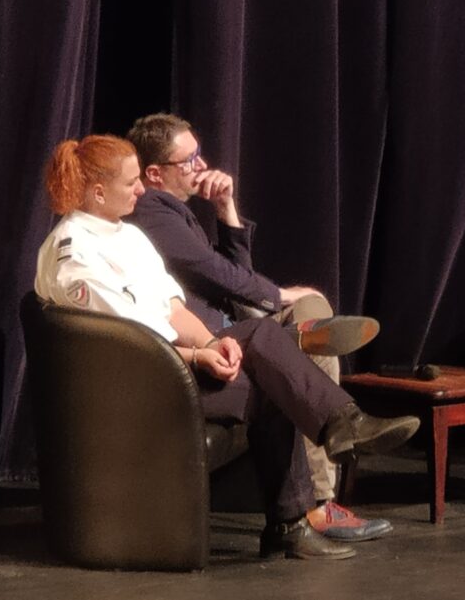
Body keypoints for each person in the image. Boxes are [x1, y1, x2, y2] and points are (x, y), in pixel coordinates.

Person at [33, 134, 420, 558]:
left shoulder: (125, 234)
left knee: (264, 341)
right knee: (278, 379)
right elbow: (125, 347)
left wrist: (213, 341)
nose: (142, 189)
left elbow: (172, 307)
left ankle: (341, 426)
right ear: (98, 191)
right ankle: (301, 503)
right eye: (131, 184)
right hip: (138, 384)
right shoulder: (76, 255)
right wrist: (199, 356)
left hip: (171, 361)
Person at [124, 113, 390, 542]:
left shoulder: (178, 210)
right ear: (154, 173)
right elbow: (218, 273)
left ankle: (305, 347)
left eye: (198, 154)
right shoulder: (152, 211)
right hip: (213, 336)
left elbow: (234, 273)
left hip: (233, 320)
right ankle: (322, 498)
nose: (201, 164)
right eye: (188, 160)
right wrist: (275, 294)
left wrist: (227, 209)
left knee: (311, 305)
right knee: (299, 335)